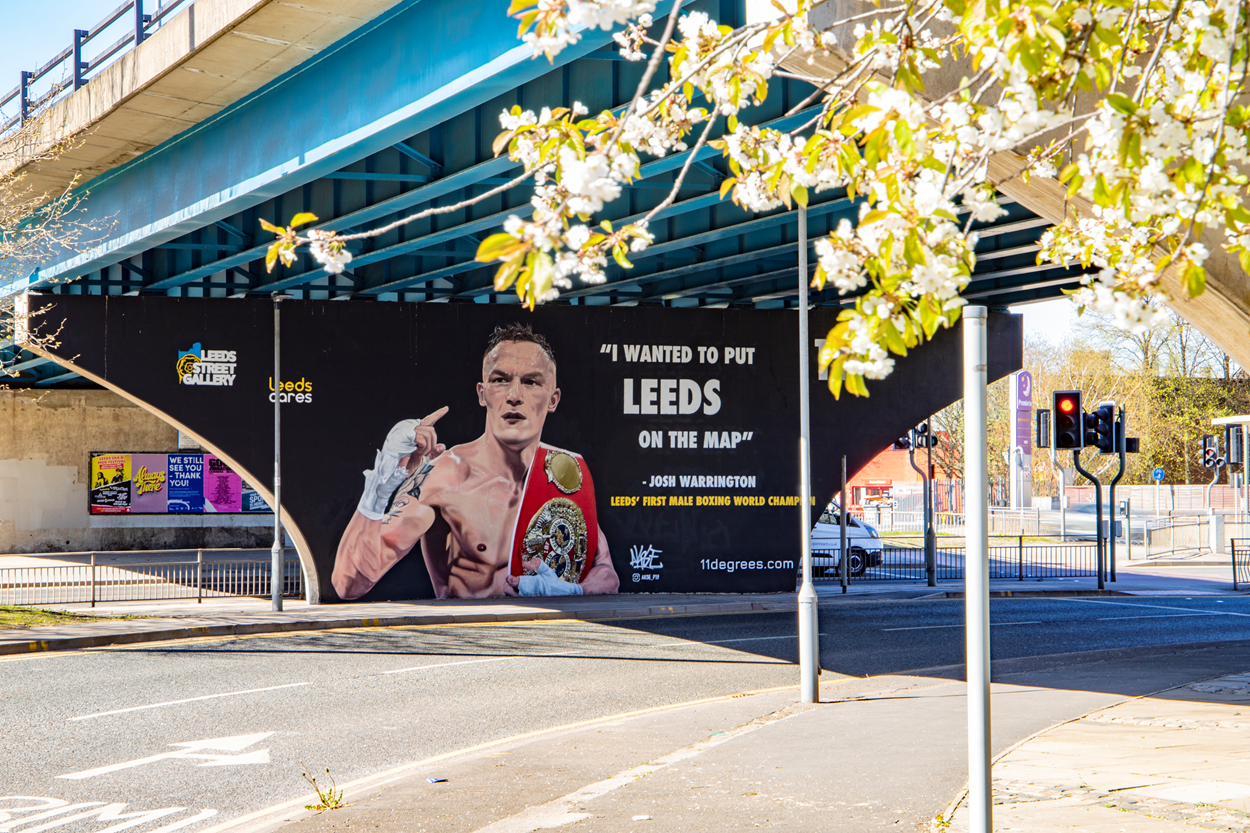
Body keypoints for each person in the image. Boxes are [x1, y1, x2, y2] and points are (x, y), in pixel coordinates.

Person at [332, 324, 619, 600]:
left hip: (552, 643)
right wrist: (381, 483)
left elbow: (606, 574)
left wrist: (570, 591)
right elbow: (349, 582)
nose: (514, 396)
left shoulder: (566, 472)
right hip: (475, 641)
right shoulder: (446, 475)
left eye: (531, 382)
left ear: (553, 399)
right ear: (482, 394)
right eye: (500, 380)